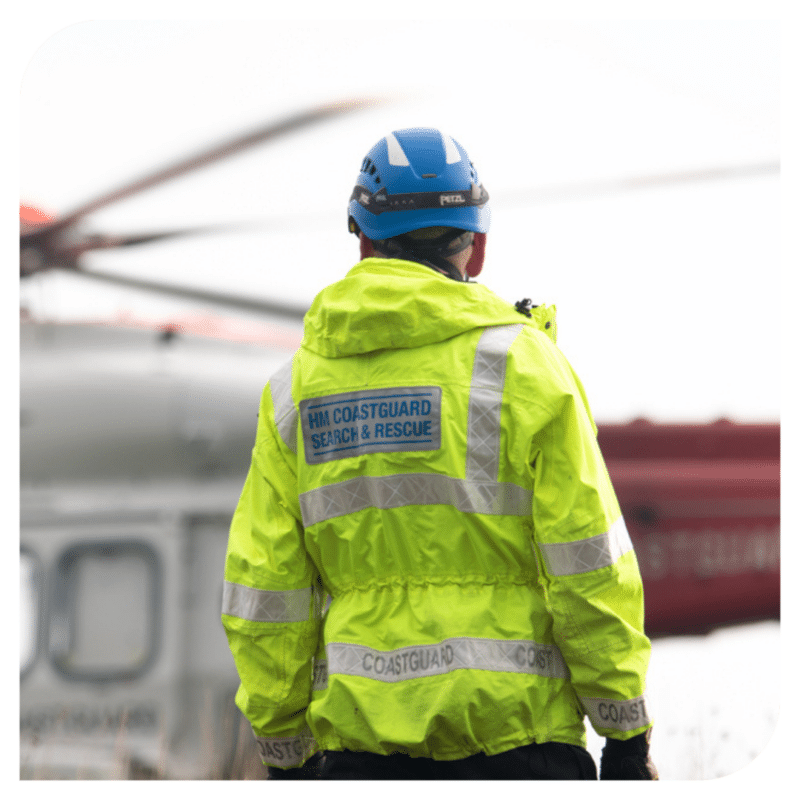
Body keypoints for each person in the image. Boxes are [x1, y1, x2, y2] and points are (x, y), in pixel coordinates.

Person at [221, 127, 658, 780]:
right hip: (523, 748)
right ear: (475, 246)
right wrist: (625, 733)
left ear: (363, 240)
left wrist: (285, 751)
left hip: (358, 757)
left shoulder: (292, 393)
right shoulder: (528, 367)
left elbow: (265, 594)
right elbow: (590, 567)